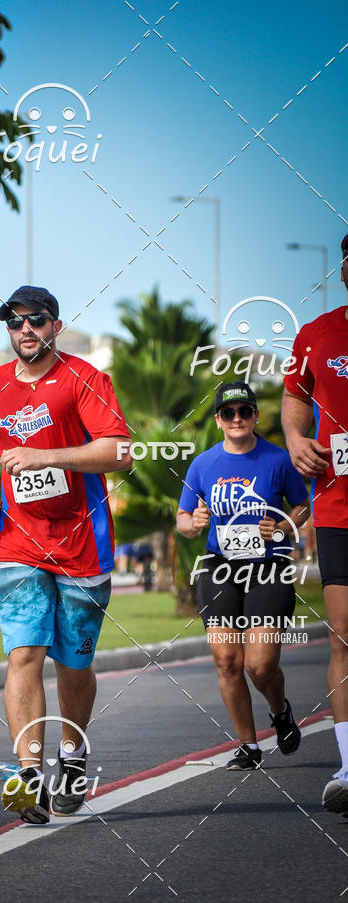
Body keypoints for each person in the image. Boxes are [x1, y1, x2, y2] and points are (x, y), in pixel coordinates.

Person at [0, 285, 131, 823]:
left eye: (36, 320)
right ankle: (29, 775)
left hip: (83, 544)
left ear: (55, 325)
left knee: (73, 666)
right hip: (18, 542)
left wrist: (46, 456)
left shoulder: (86, 379)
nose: (25, 331)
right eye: (15, 323)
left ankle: (75, 755)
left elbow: (119, 452)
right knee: (23, 656)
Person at [177, 382, 310, 770]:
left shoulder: (278, 459)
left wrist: (283, 528)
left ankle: (280, 710)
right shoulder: (202, 464)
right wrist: (193, 523)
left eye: (245, 412)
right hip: (220, 568)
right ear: (218, 419)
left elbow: (301, 506)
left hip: (268, 568)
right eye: (228, 413)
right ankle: (249, 745)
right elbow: (184, 518)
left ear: (254, 416)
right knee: (227, 661)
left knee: (260, 665)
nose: (237, 419)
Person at [282, 233, 348, 815]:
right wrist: (297, 437)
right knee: (343, 635)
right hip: (338, 508)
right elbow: (294, 398)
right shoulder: (316, 334)